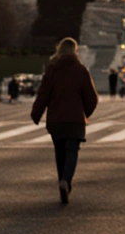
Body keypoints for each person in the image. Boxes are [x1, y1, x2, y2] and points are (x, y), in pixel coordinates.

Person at [31, 38, 99, 204]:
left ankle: (62, 179)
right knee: (72, 151)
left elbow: (43, 94)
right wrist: (85, 113)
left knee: (59, 152)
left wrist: (36, 113)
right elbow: (92, 98)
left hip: (55, 120)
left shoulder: (53, 70)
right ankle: (66, 181)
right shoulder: (81, 70)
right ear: (75, 51)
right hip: (75, 119)